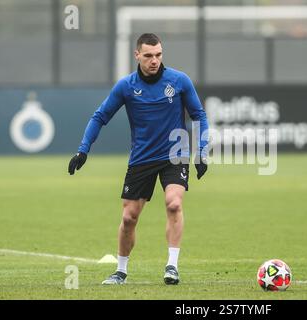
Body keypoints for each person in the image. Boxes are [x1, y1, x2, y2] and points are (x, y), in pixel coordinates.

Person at [68, 33, 209, 285]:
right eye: (148, 56)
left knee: (174, 204)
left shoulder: (179, 81)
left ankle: (172, 267)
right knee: (128, 217)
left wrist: (202, 150)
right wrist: (83, 150)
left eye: (158, 55)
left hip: (175, 155)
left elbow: (199, 114)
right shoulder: (126, 86)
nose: (154, 60)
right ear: (137, 55)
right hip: (142, 158)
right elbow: (100, 117)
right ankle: (120, 271)